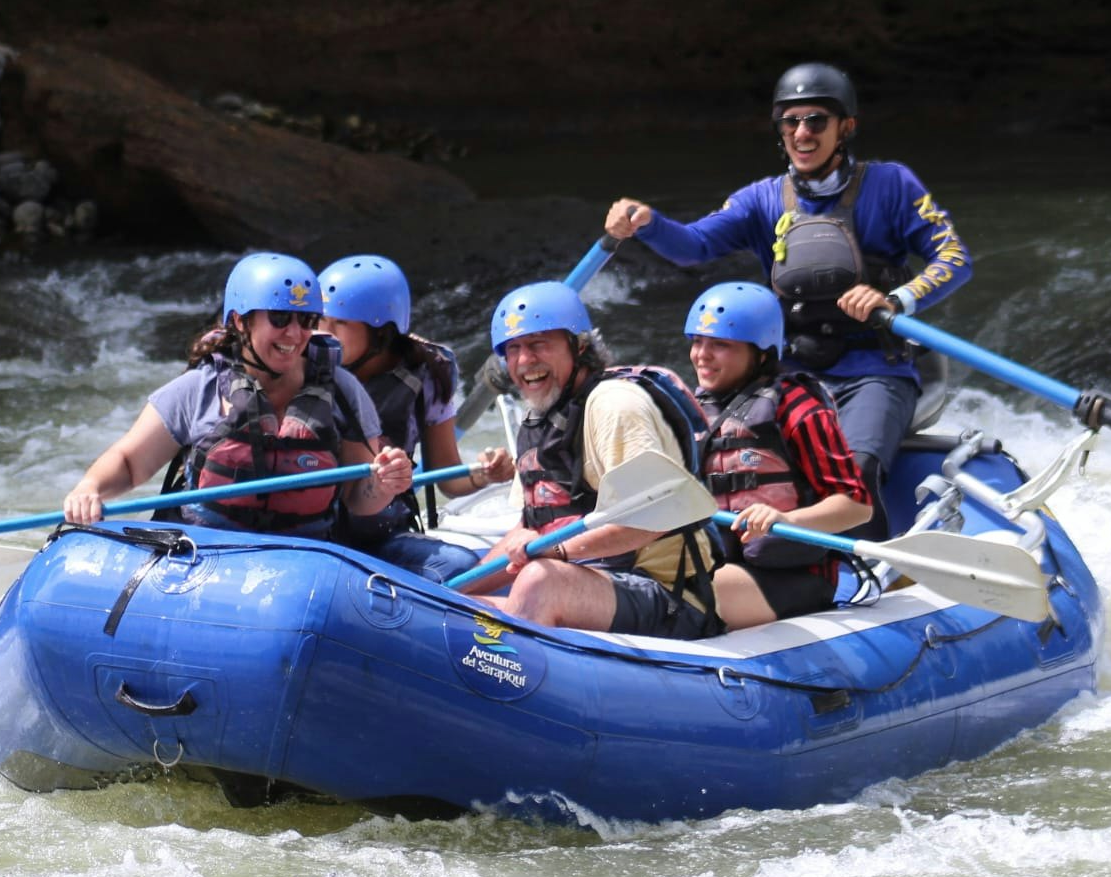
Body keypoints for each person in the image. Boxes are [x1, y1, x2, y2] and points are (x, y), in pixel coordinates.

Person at [604, 61, 972, 533]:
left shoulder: (892, 186)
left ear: (846, 127)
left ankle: (861, 562)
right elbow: (694, 247)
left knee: (853, 472)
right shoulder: (761, 199)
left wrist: (897, 299)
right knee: (747, 464)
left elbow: (954, 257)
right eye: (790, 121)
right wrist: (648, 223)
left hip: (875, 369)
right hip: (793, 370)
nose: (802, 133)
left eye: (816, 120)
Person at [61, 251, 414, 533]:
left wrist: (383, 485)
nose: (294, 334)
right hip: (209, 556)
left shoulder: (343, 390)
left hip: (306, 556)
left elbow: (357, 497)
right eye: (279, 318)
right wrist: (90, 487)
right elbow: (129, 463)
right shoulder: (199, 388)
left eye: (306, 320)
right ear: (240, 321)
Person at [466, 280, 720, 639]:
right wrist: (450, 591)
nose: (524, 361)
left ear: (579, 346)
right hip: (590, 582)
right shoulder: (539, 418)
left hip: (668, 597)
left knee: (540, 580)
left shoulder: (614, 405)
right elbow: (531, 527)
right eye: (513, 349)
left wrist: (559, 551)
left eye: (538, 344)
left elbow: (656, 518)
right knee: (459, 602)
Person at [684, 281, 873, 630]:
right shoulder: (694, 408)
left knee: (683, 596)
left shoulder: (798, 406)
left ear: (761, 353)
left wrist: (786, 520)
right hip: (722, 562)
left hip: (792, 575)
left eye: (721, 345)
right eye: (697, 342)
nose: (702, 355)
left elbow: (857, 506)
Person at [315, 253, 514, 580]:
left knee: (460, 566)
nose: (325, 332)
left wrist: (484, 475)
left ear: (381, 331)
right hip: (313, 532)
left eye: (340, 323)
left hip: (378, 534)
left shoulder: (428, 373)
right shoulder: (302, 365)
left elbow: (446, 476)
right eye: (320, 320)